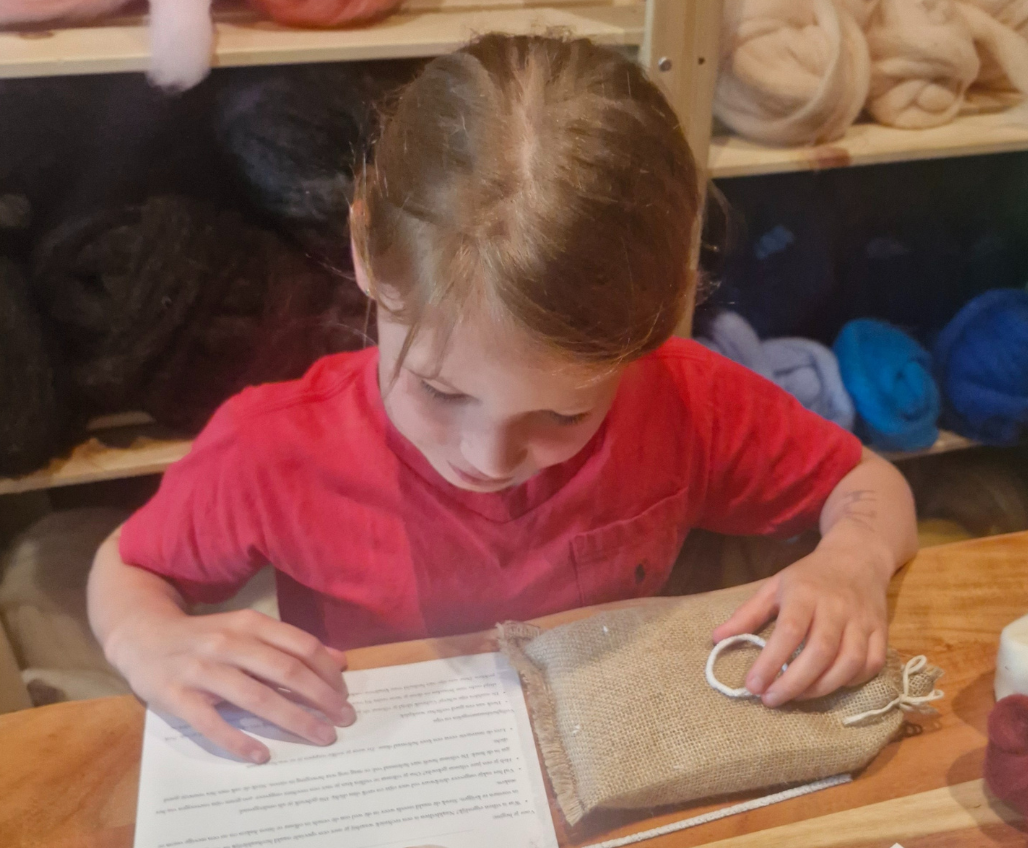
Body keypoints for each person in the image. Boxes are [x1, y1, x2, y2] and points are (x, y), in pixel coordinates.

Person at [88, 34, 917, 764]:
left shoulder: (683, 396)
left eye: (564, 414)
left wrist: (851, 563)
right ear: (367, 252)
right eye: (440, 389)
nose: (488, 458)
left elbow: (867, 485)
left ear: (661, 315)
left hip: (608, 754)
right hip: (381, 770)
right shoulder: (274, 449)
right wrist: (145, 636)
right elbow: (129, 567)